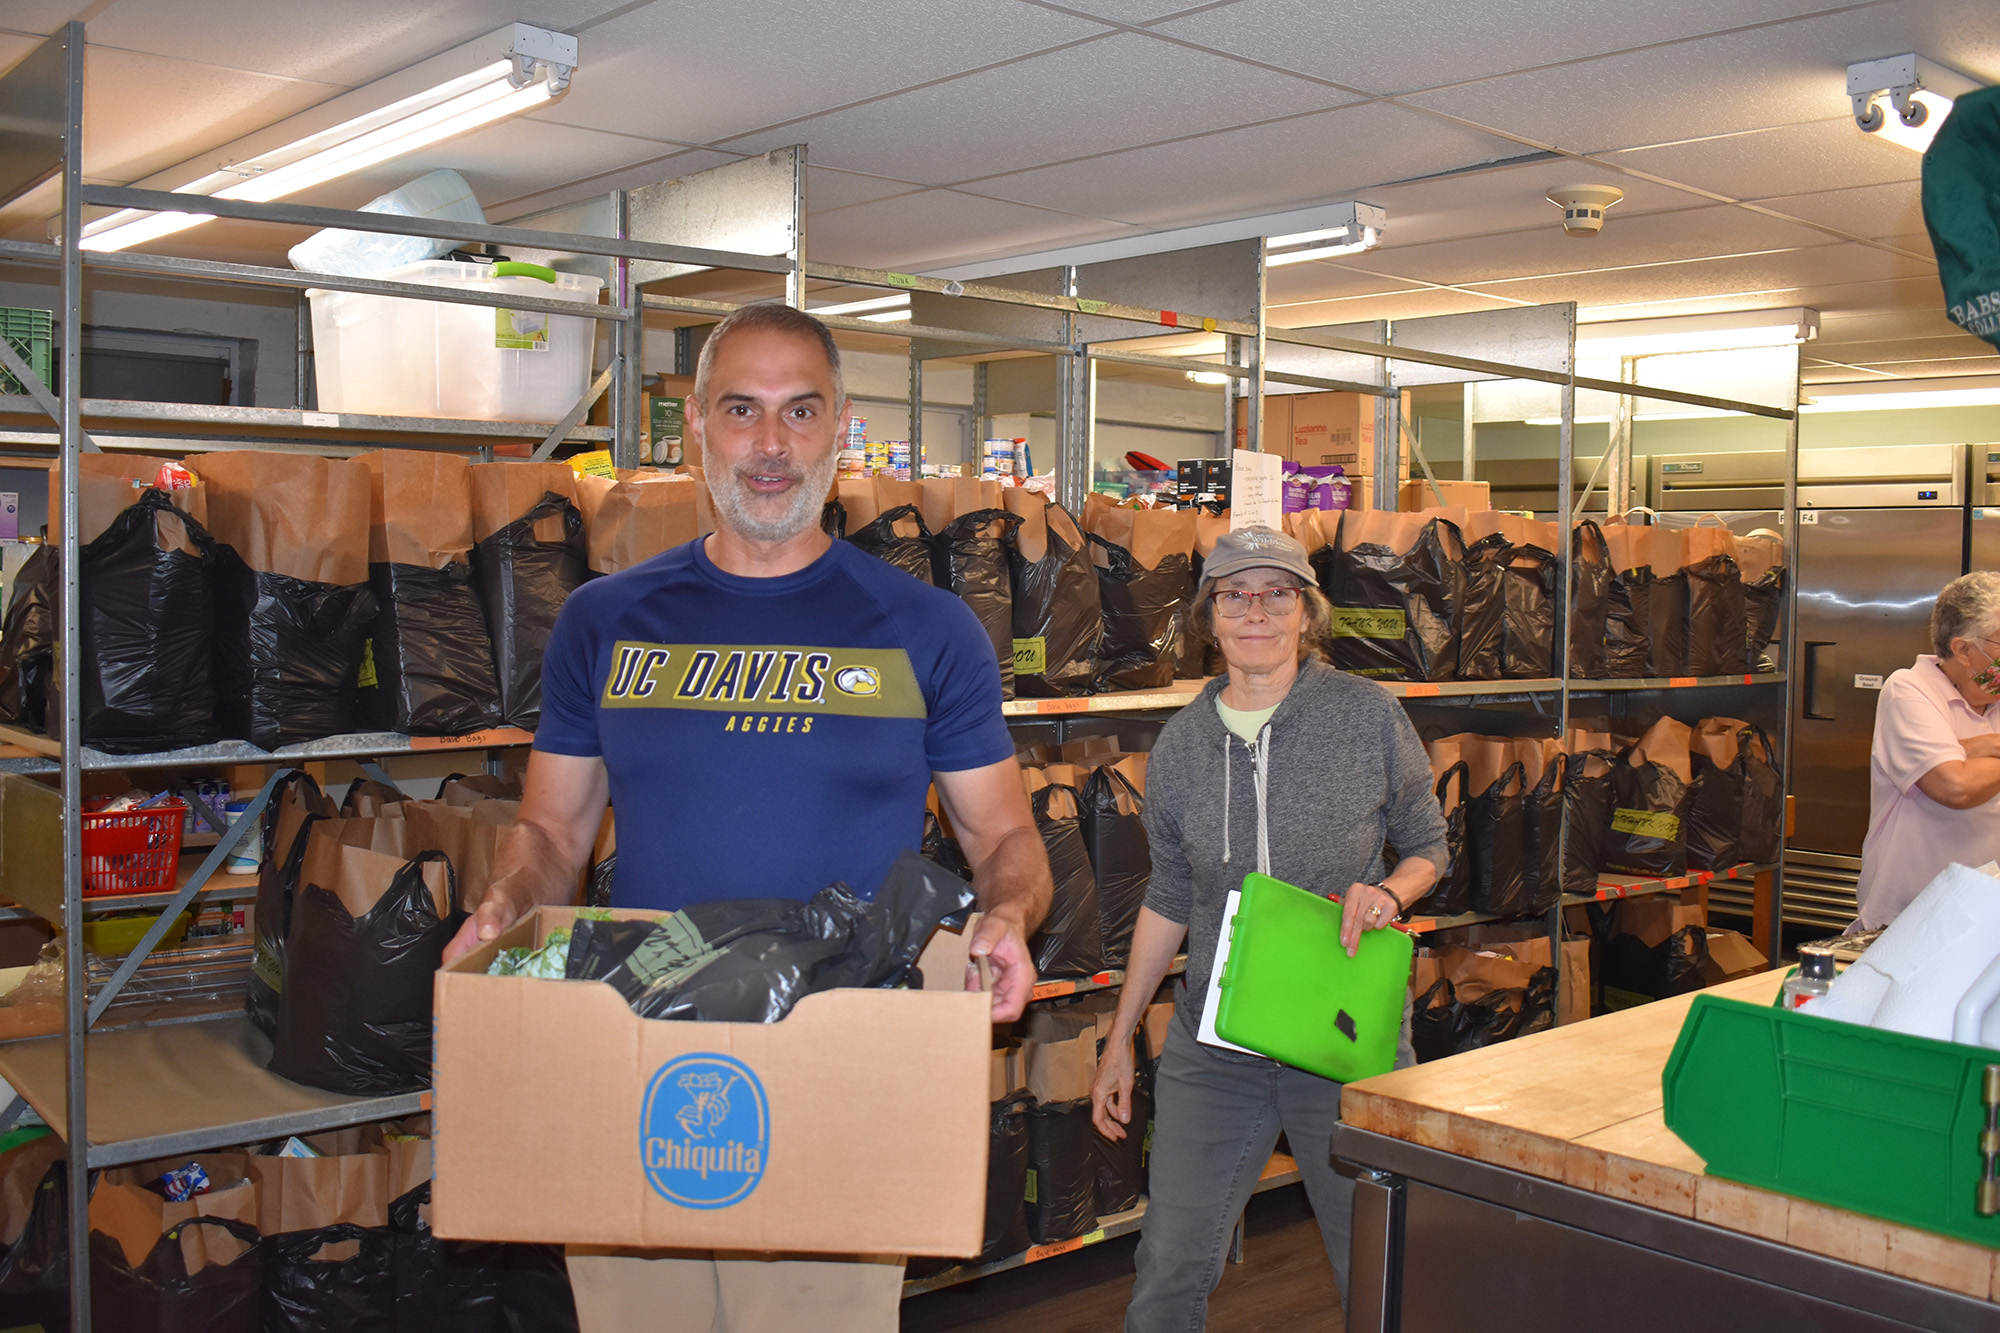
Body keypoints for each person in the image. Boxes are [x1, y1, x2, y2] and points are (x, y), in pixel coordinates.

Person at [441, 300, 1053, 1333]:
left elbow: (1003, 839)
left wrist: (1007, 915)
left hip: (841, 1052)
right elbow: (550, 833)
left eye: (800, 411)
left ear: (839, 426)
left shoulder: (926, 630)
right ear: (695, 429)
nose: (770, 445)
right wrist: (504, 905)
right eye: (741, 410)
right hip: (635, 1046)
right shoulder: (604, 622)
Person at [1086, 526, 1448, 1329]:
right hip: (1215, 1048)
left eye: (1276, 593)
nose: (1256, 610)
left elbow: (1429, 846)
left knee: (1379, 1268)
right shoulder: (1180, 743)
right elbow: (1170, 894)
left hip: (1343, 1035)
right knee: (1169, 1269)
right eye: (1235, 594)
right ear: (1209, 617)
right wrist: (1119, 1038)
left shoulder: (1367, 715)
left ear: (1306, 612)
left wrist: (1390, 892)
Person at [1855, 571, 2000, 929]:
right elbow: (1955, 786)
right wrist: (1962, 759)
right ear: (1964, 650)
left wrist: (1972, 750)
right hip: (1909, 916)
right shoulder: (1910, 690)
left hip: (1984, 913)